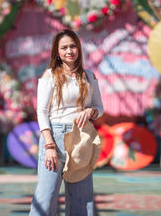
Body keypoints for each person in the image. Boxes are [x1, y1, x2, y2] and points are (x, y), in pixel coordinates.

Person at [29, 29, 104, 216]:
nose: (69, 51)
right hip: (54, 137)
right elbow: (42, 112)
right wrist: (49, 146)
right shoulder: (50, 75)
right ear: (57, 52)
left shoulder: (89, 76)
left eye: (72, 46)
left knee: (82, 201)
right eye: (64, 48)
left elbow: (99, 108)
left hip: (81, 139)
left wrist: (90, 111)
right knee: (45, 199)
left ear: (78, 48)